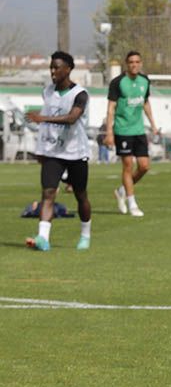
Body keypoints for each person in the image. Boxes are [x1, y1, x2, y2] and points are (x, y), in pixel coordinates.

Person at [24, 51, 92, 251]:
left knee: (80, 195)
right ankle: (43, 238)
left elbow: (72, 118)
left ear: (68, 69)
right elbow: (46, 124)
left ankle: (85, 234)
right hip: (53, 152)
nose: (53, 71)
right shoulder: (47, 91)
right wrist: (41, 149)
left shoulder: (80, 94)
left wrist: (42, 118)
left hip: (76, 153)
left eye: (57, 67)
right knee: (48, 192)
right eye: (51, 67)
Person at [105, 51, 159, 217]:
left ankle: (122, 190)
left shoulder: (144, 81)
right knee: (128, 166)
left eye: (137, 62)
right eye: (131, 62)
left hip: (139, 131)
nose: (134, 65)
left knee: (144, 166)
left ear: (140, 63)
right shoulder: (117, 82)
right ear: (126, 64)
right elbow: (111, 108)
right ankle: (132, 203)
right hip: (122, 130)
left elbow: (145, 102)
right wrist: (109, 132)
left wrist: (153, 125)